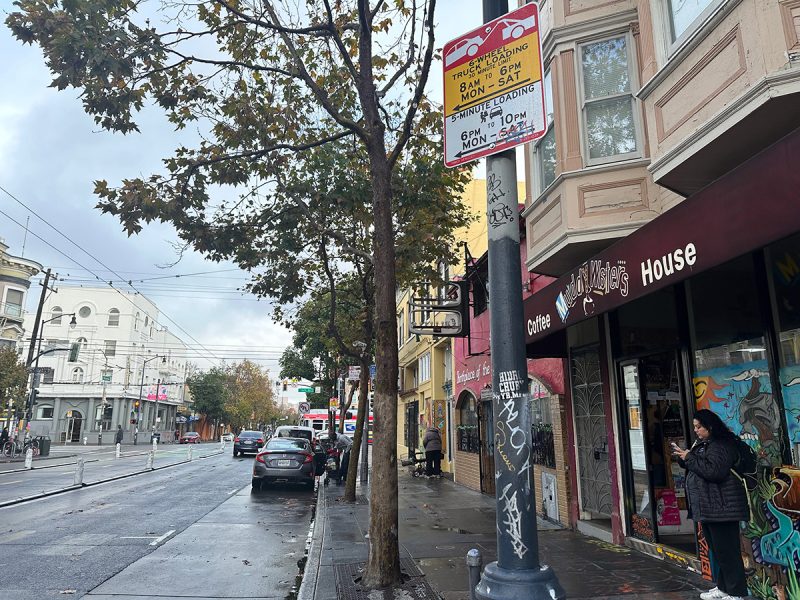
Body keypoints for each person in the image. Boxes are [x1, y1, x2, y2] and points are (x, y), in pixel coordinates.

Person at [672, 409, 749, 600]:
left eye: (699, 427)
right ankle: (724, 587)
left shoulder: (721, 445)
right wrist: (685, 457)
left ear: (710, 426)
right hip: (709, 507)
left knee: (727, 551)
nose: (696, 430)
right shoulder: (705, 443)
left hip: (722, 506)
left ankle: (737, 592)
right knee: (718, 551)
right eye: (695, 427)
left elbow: (714, 471)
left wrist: (689, 457)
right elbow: (699, 465)